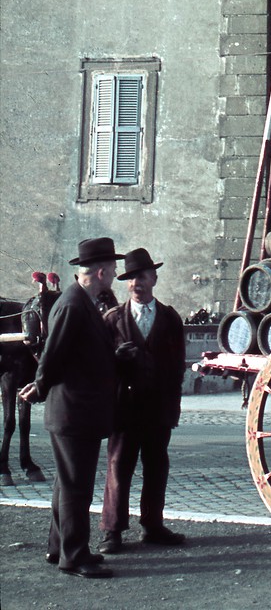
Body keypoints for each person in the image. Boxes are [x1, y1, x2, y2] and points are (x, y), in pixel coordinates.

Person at [19, 238, 124, 579]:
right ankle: (74, 556)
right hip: (74, 412)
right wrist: (41, 386)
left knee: (66, 486)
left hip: (79, 411)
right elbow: (54, 353)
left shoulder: (82, 301)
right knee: (76, 487)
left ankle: (58, 547)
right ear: (101, 271)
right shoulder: (73, 304)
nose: (115, 274)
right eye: (113, 269)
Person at [99, 248, 186, 553]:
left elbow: (177, 368)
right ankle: (112, 531)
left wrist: (172, 409)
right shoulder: (112, 319)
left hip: (157, 409)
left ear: (154, 278)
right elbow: (96, 365)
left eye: (143, 276)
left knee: (156, 466)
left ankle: (153, 526)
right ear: (126, 283)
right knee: (119, 466)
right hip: (124, 409)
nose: (137, 282)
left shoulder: (170, 318)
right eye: (132, 278)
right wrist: (114, 358)